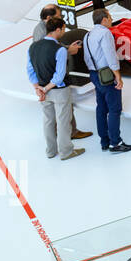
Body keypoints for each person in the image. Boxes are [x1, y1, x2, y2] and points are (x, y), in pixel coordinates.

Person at [26, 18, 84, 161]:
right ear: (58, 29)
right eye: (63, 29)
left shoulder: (32, 47)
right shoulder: (60, 50)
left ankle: (51, 151)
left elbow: (30, 70)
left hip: (43, 91)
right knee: (63, 121)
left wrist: (38, 88)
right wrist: (45, 89)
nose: (63, 32)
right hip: (59, 91)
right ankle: (66, 152)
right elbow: (59, 76)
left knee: (48, 121)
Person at [33, 5, 91, 141]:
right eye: (59, 16)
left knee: (51, 115)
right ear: (48, 18)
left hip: (45, 79)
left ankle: (53, 145)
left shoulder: (40, 29)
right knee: (64, 109)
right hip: (54, 78)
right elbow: (51, 51)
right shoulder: (43, 32)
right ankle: (68, 140)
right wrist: (68, 50)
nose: (61, 19)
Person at [84, 9, 131, 154]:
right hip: (106, 75)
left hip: (94, 74)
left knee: (101, 108)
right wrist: (117, 74)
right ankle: (115, 142)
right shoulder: (105, 33)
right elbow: (110, 55)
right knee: (114, 109)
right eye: (110, 17)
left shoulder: (87, 35)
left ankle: (104, 141)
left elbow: (87, 57)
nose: (111, 19)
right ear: (104, 19)